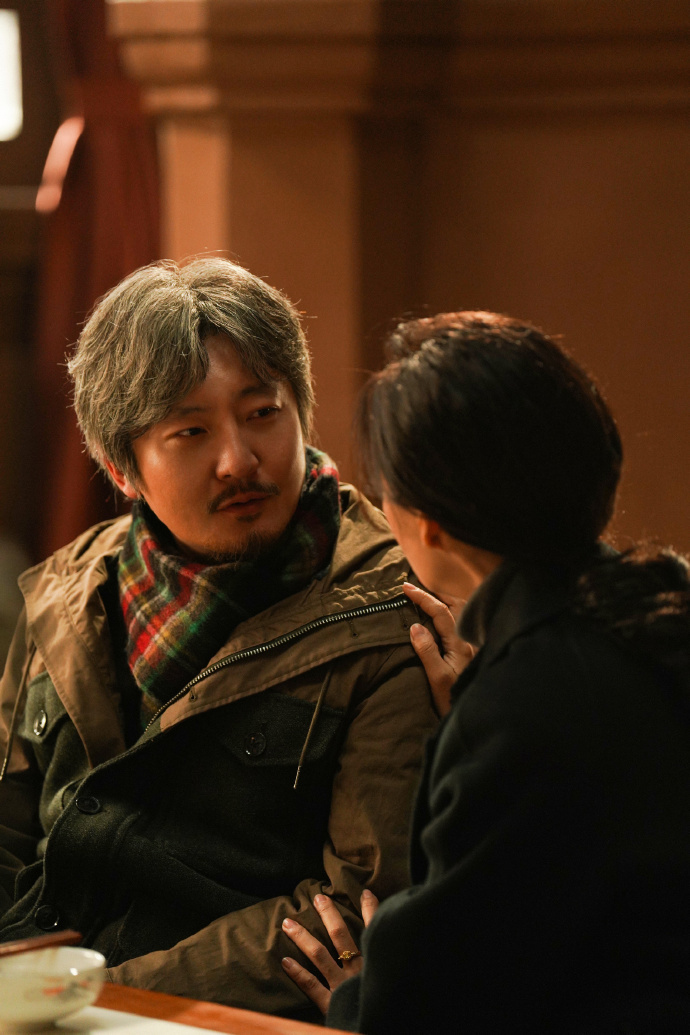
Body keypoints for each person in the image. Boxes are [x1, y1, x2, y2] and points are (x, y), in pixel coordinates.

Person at [0, 258, 439, 1018]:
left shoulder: (385, 610)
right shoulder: (71, 593)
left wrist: (96, 995)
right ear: (122, 468)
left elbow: (355, 911)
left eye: (263, 413)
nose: (239, 460)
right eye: (192, 431)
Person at [281, 311, 690, 1033]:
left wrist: (358, 996)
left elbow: (441, 994)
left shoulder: (527, 702)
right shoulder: (656, 603)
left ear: (427, 521)